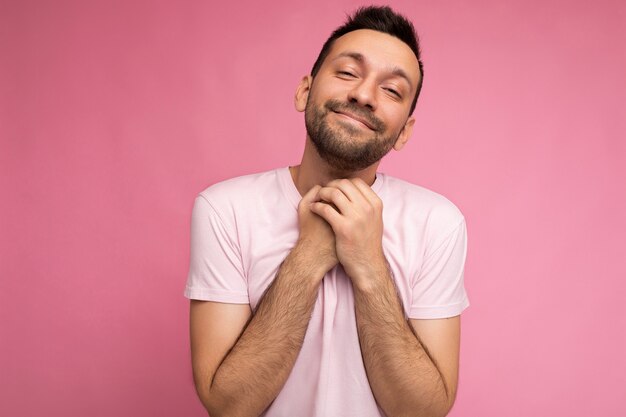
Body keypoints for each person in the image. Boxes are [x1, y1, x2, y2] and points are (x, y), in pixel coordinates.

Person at [184, 5, 469, 417]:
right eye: (348, 73)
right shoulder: (224, 209)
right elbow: (228, 406)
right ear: (305, 91)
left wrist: (370, 266)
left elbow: (423, 412)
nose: (364, 95)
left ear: (405, 131)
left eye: (392, 90)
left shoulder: (438, 223)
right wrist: (309, 256)